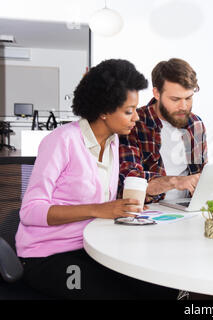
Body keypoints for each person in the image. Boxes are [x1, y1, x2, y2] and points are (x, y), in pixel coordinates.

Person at [15, 59, 178, 299]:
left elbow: (101, 201)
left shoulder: (113, 142)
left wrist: (122, 206)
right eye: (128, 111)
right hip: (47, 257)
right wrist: (101, 209)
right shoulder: (62, 141)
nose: (136, 118)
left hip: (93, 247)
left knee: (160, 286)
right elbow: (30, 212)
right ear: (103, 111)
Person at [119, 58, 207, 202]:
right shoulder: (134, 123)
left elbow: (202, 173)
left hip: (187, 208)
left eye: (188, 98)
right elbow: (128, 181)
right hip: (150, 210)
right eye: (175, 99)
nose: (184, 106)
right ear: (157, 93)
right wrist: (175, 182)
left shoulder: (195, 124)